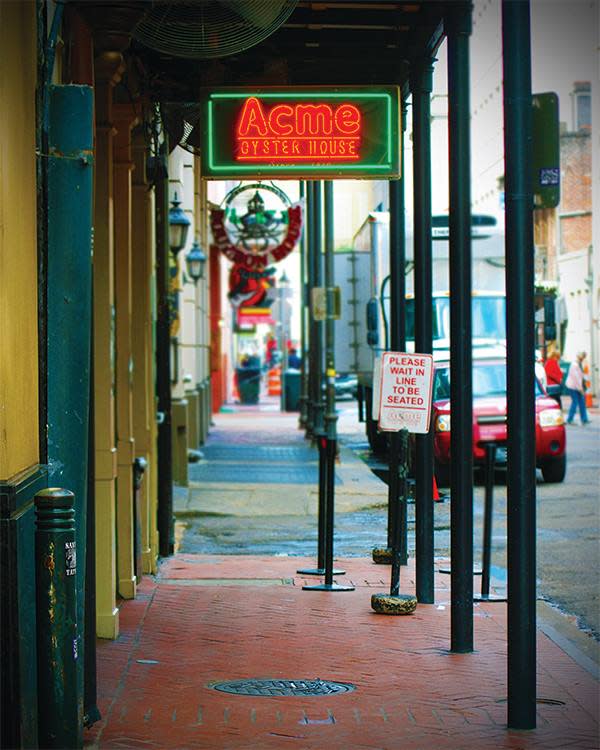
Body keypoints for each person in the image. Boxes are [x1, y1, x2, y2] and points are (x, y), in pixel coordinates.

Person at [565, 351, 590, 425]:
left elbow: (582, 376)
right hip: (573, 387)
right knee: (575, 402)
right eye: (583, 356)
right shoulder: (574, 365)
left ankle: (584, 419)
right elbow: (576, 379)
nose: (584, 358)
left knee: (582, 402)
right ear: (580, 356)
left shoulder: (579, 364)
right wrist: (581, 389)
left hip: (578, 386)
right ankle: (569, 419)